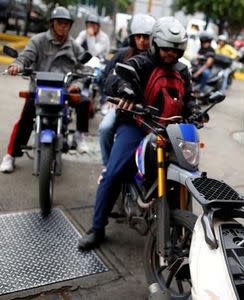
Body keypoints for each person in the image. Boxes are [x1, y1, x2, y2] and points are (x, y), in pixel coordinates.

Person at [78, 16, 200, 250]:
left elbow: (189, 98)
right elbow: (115, 80)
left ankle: (176, 221)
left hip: (171, 131)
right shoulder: (141, 62)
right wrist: (125, 90)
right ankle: (97, 227)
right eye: (165, 49)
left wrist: (194, 111)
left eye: (175, 50)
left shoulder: (183, 70)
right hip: (136, 125)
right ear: (156, 44)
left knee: (188, 170)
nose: (169, 54)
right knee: (113, 173)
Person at [0, 6, 91, 174]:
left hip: (62, 91)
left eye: (66, 24)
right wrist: (17, 65)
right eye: (60, 23)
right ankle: (10, 156)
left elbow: (83, 69)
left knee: (84, 101)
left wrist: (76, 85)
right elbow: (25, 57)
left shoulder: (74, 46)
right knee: (26, 117)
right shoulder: (38, 40)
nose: (63, 27)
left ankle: (79, 136)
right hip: (39, 90)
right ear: (52, 24)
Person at [98, 13, 156, 167]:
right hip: (121, 104)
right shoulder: (122, 54)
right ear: (133, 38)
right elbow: (107, 77)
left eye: (146, 36)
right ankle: (107, 165)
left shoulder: (157, 58)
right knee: (105, 128)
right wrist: (110, 98)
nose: (142, 40)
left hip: (148, 109)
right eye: (138, 37)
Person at [192, 32, 215, 96]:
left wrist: (197, 73)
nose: (203, 43)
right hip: (199, 66)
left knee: (205, 73)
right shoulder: (201, 48)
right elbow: (196, 58)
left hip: (206, 68)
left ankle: (201, 90)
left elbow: (208, 64)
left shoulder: (211, 50)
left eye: (204, 41)